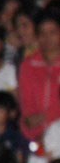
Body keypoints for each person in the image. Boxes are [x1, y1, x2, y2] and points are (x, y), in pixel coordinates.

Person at [18, 9, 60, 145]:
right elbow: (26, 103)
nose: (47, 38)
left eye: (52, 32)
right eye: (42, 33)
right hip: (34, 137)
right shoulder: (28, 65)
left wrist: (46, 118)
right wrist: (34, 131)